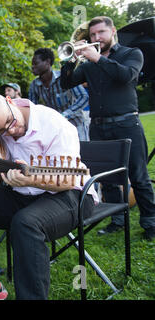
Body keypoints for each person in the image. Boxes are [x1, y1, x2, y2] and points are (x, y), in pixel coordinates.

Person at [0, 92, 98, 299]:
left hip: (71, 195)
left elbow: (69, 179)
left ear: (10, 101)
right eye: (1, 131)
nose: (12, 131)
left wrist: (32, 180)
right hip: (24, 193)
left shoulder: (54, 125)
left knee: (25, 223)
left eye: (11, 121)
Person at [61, 16, 155, 240]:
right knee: (106, 177)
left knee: (138, 175)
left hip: (127, 124)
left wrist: (98, 59)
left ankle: (150, 222)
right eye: (92, 35)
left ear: (112, 31)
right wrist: (70, 61)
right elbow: (66, 83)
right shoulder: (89, 65)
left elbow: (126, 76)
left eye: (101, 33)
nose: (96, 38)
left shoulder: (132, 54)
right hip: (99, 126)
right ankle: (117, 220)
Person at [29, 48, 90, 141]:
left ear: (48, 62)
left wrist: (65, 115)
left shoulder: (64, 77)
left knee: (84, 154)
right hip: (57, 129)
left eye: (36, 63)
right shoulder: (34, 85)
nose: (33, 66)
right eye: (32, 64)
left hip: (77, 126)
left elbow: (84, 97)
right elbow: (33, 109)